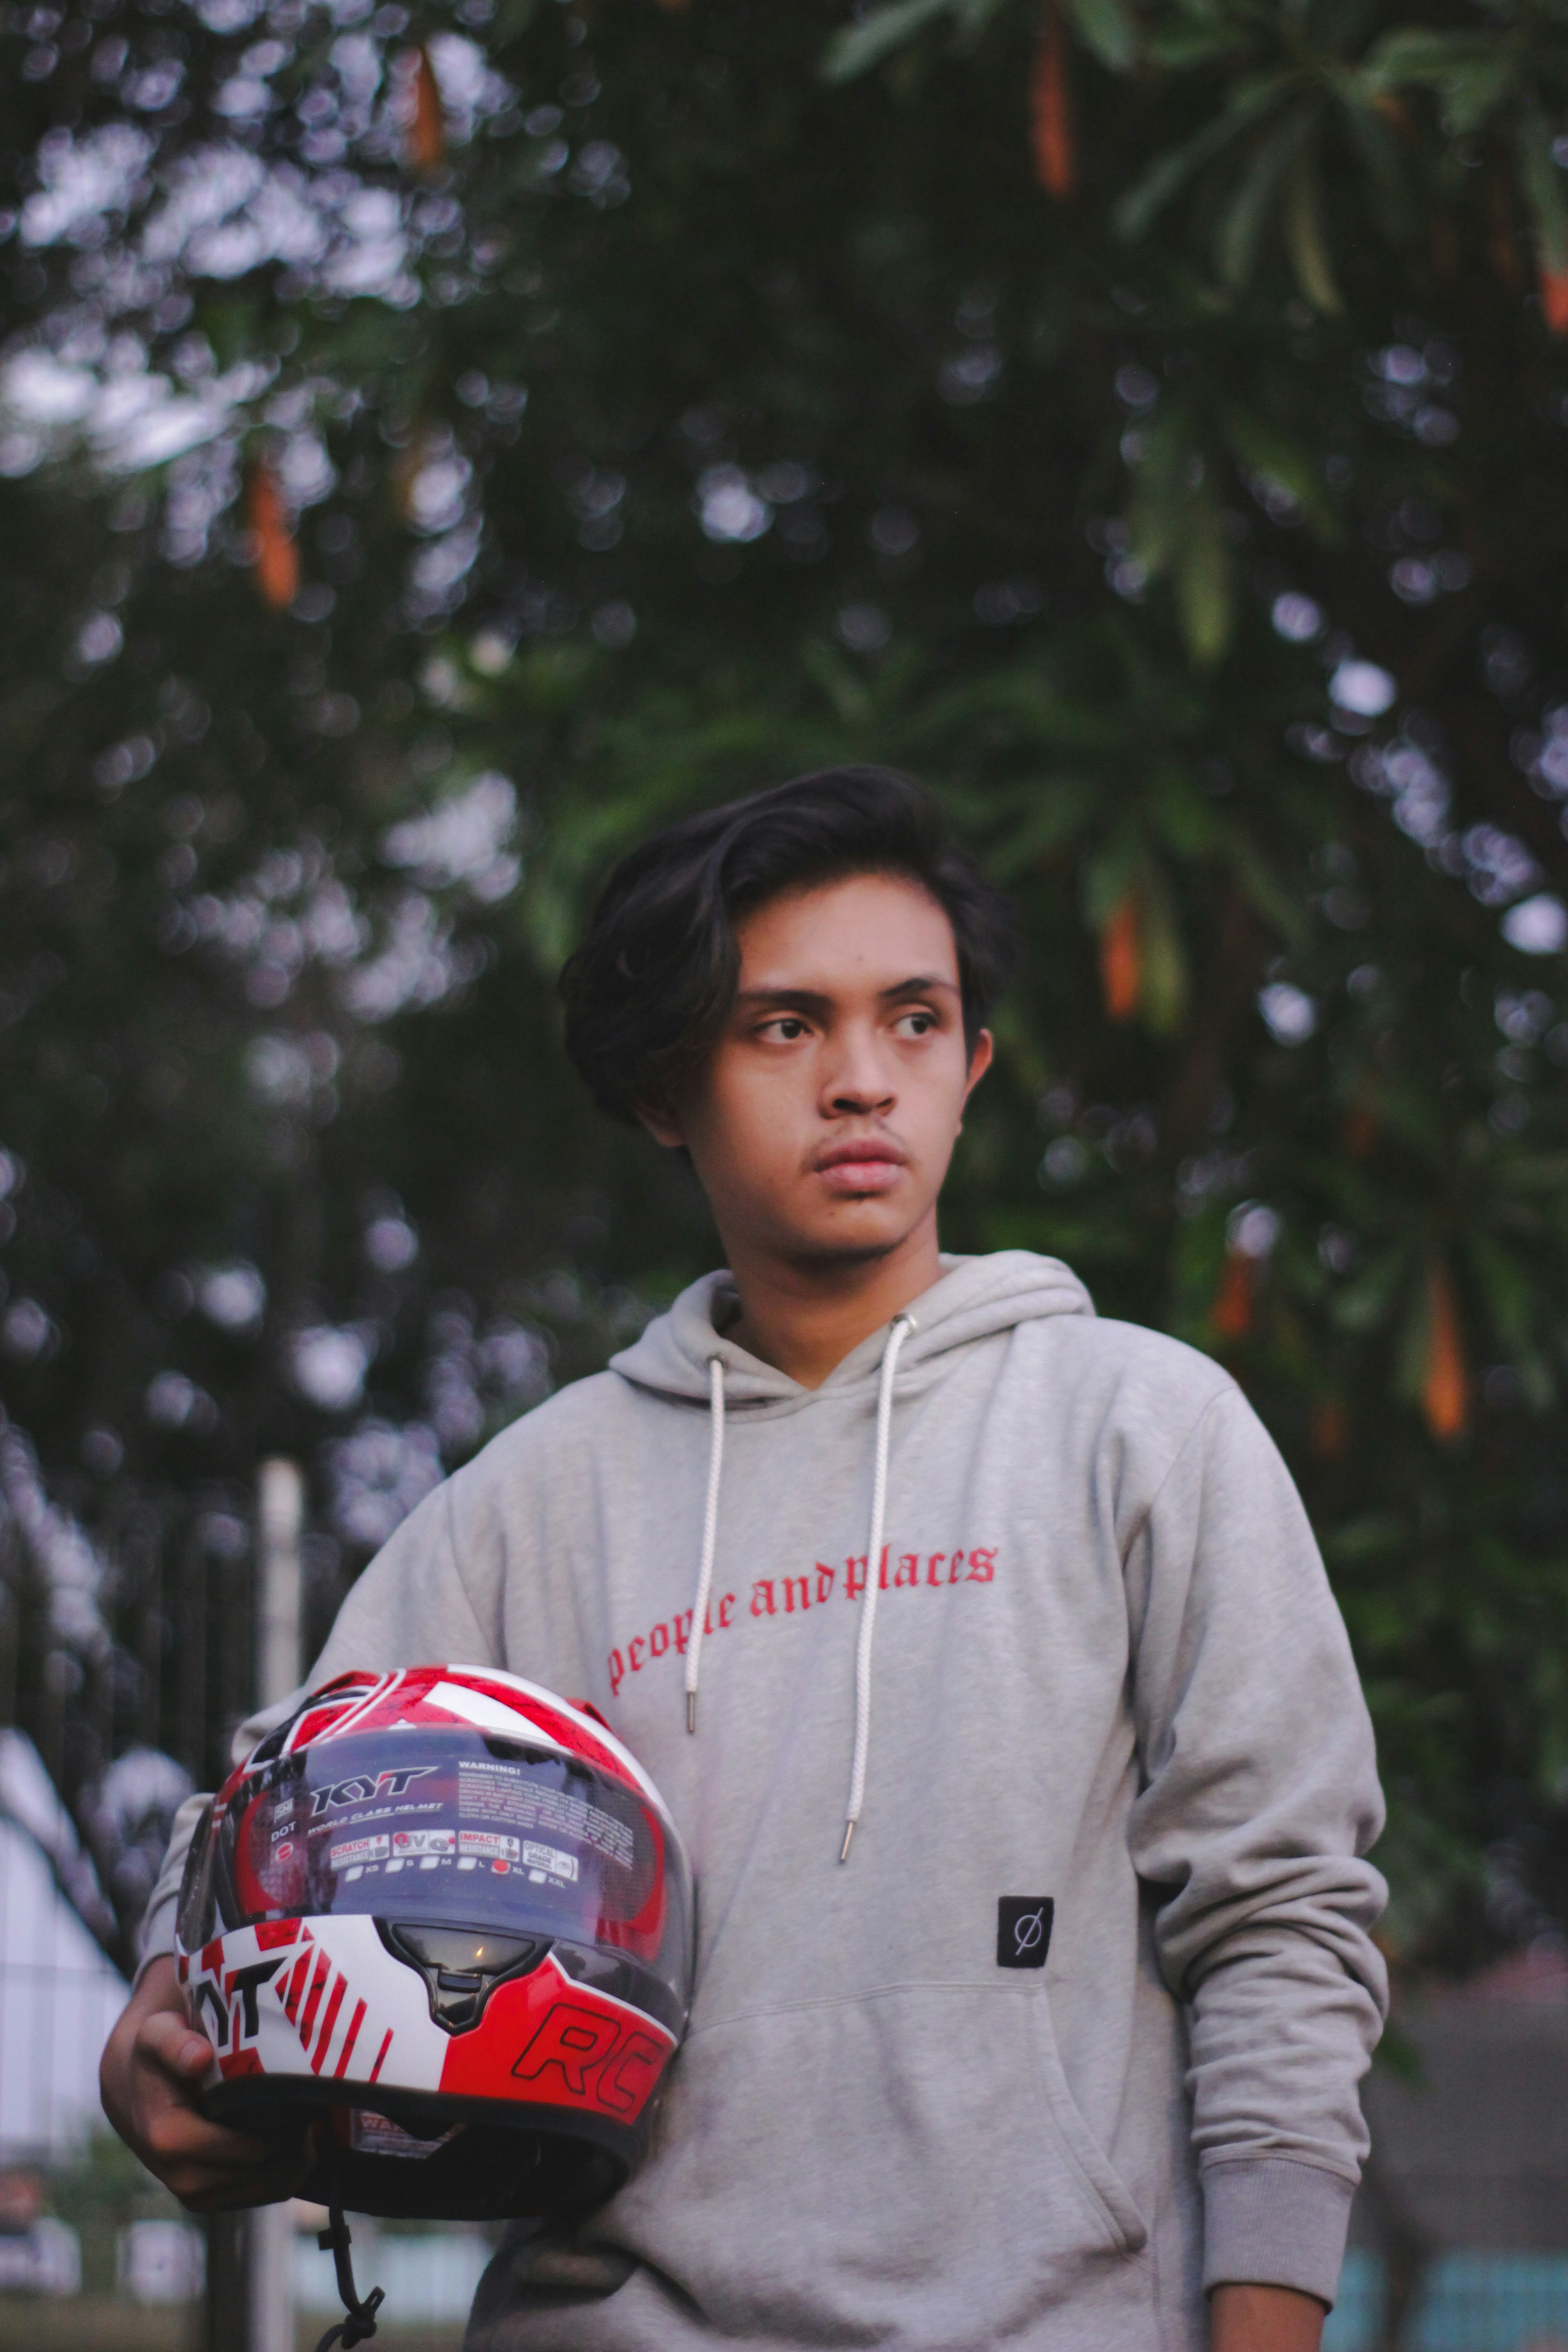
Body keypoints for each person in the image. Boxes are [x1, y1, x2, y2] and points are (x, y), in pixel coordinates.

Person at [103, 766, 1387, 2352]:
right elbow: (272, 1802)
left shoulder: (1145, 1428)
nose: (863, 1081)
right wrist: (156, 2022)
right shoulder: (535, 1500)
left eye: (915, 1021)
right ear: (668, 1090)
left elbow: (1283, 1917)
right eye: (786, 1026)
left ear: (973, 1067)